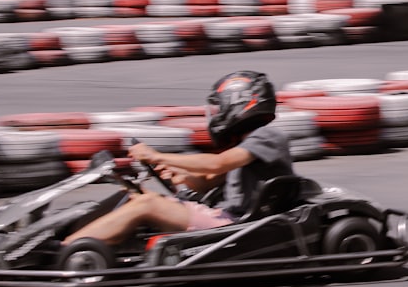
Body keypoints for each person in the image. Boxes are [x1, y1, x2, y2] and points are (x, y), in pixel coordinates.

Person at [62, 70, 293, 247]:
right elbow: (208, 180)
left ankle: (69, 248)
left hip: (235, 226)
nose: (216, 115)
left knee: (147, 204)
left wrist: (158, 155)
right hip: (224, 216)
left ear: (239, 102)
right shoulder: (246, 145)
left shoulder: (268, 135)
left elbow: (216, 164)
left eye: (219, 108)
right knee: (135, 194)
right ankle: (64, 236)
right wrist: (176, 176)